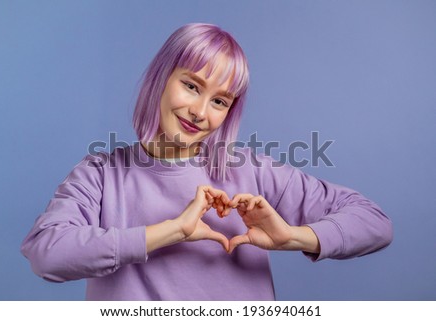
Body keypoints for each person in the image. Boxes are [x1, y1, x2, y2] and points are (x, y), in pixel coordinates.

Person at [21, 23, 393, 300]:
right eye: (192, 85)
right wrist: (172, 231)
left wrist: (295, 237)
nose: (199, 111)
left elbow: (374, 222)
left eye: (219, 101)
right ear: (161, 79)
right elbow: (47, 254)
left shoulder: (251, 171)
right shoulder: (100, 176)